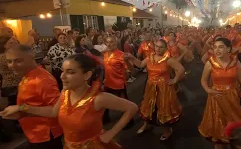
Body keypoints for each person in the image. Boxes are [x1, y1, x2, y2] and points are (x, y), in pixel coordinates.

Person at [1, 53, 138, 149]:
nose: (62, 76)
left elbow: (132, 108)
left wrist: (111, 133)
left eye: (70, 72)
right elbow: (54, 112)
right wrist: (21, 109)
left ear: (87, 75)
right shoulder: (65, 93)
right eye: (63, 71)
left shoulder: (98, 98)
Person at [0, 45, 63, 149]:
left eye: (18, 61)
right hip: (33, 133)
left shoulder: (42, 80)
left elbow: (56, 110)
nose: (12, 65)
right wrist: (20, 114)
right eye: (9, 61)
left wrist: (21, 108)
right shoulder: (27, 75)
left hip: (45, 135)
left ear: (31, 58)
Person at [198, 38, 241, 143]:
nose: (217, 50)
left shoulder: (236, 62)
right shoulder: (210, 63)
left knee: (234, 123)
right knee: (218, 126)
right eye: (215, 47)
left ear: (228, 49)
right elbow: (203, 80)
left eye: (220, 47)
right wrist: (208, 90)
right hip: (216, 97)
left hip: (232, 96)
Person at [125, 39, 184, 140]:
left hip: (164, 88)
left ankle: (167, 130)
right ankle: (146, 124)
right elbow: (139, 64)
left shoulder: (168, 59)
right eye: (156, 46)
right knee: (148, 105)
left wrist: (174, 80)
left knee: (163, 107)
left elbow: (181, 69)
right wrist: (131, 57)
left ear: (165, 48)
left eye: (161, 47)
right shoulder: (149, 57)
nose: (158, 49)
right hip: (150, 86)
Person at [102, 36, 135, 128]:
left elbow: (131, 69)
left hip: (119, 84)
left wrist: (127, 66)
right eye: (107, 42)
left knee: (124, 105)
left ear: (116, 43)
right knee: (104, 103)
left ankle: (129, 122)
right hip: (108, 83)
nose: (109, 44)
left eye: (111, 42)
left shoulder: (121, 55)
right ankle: (105, 120)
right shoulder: (105, 54)